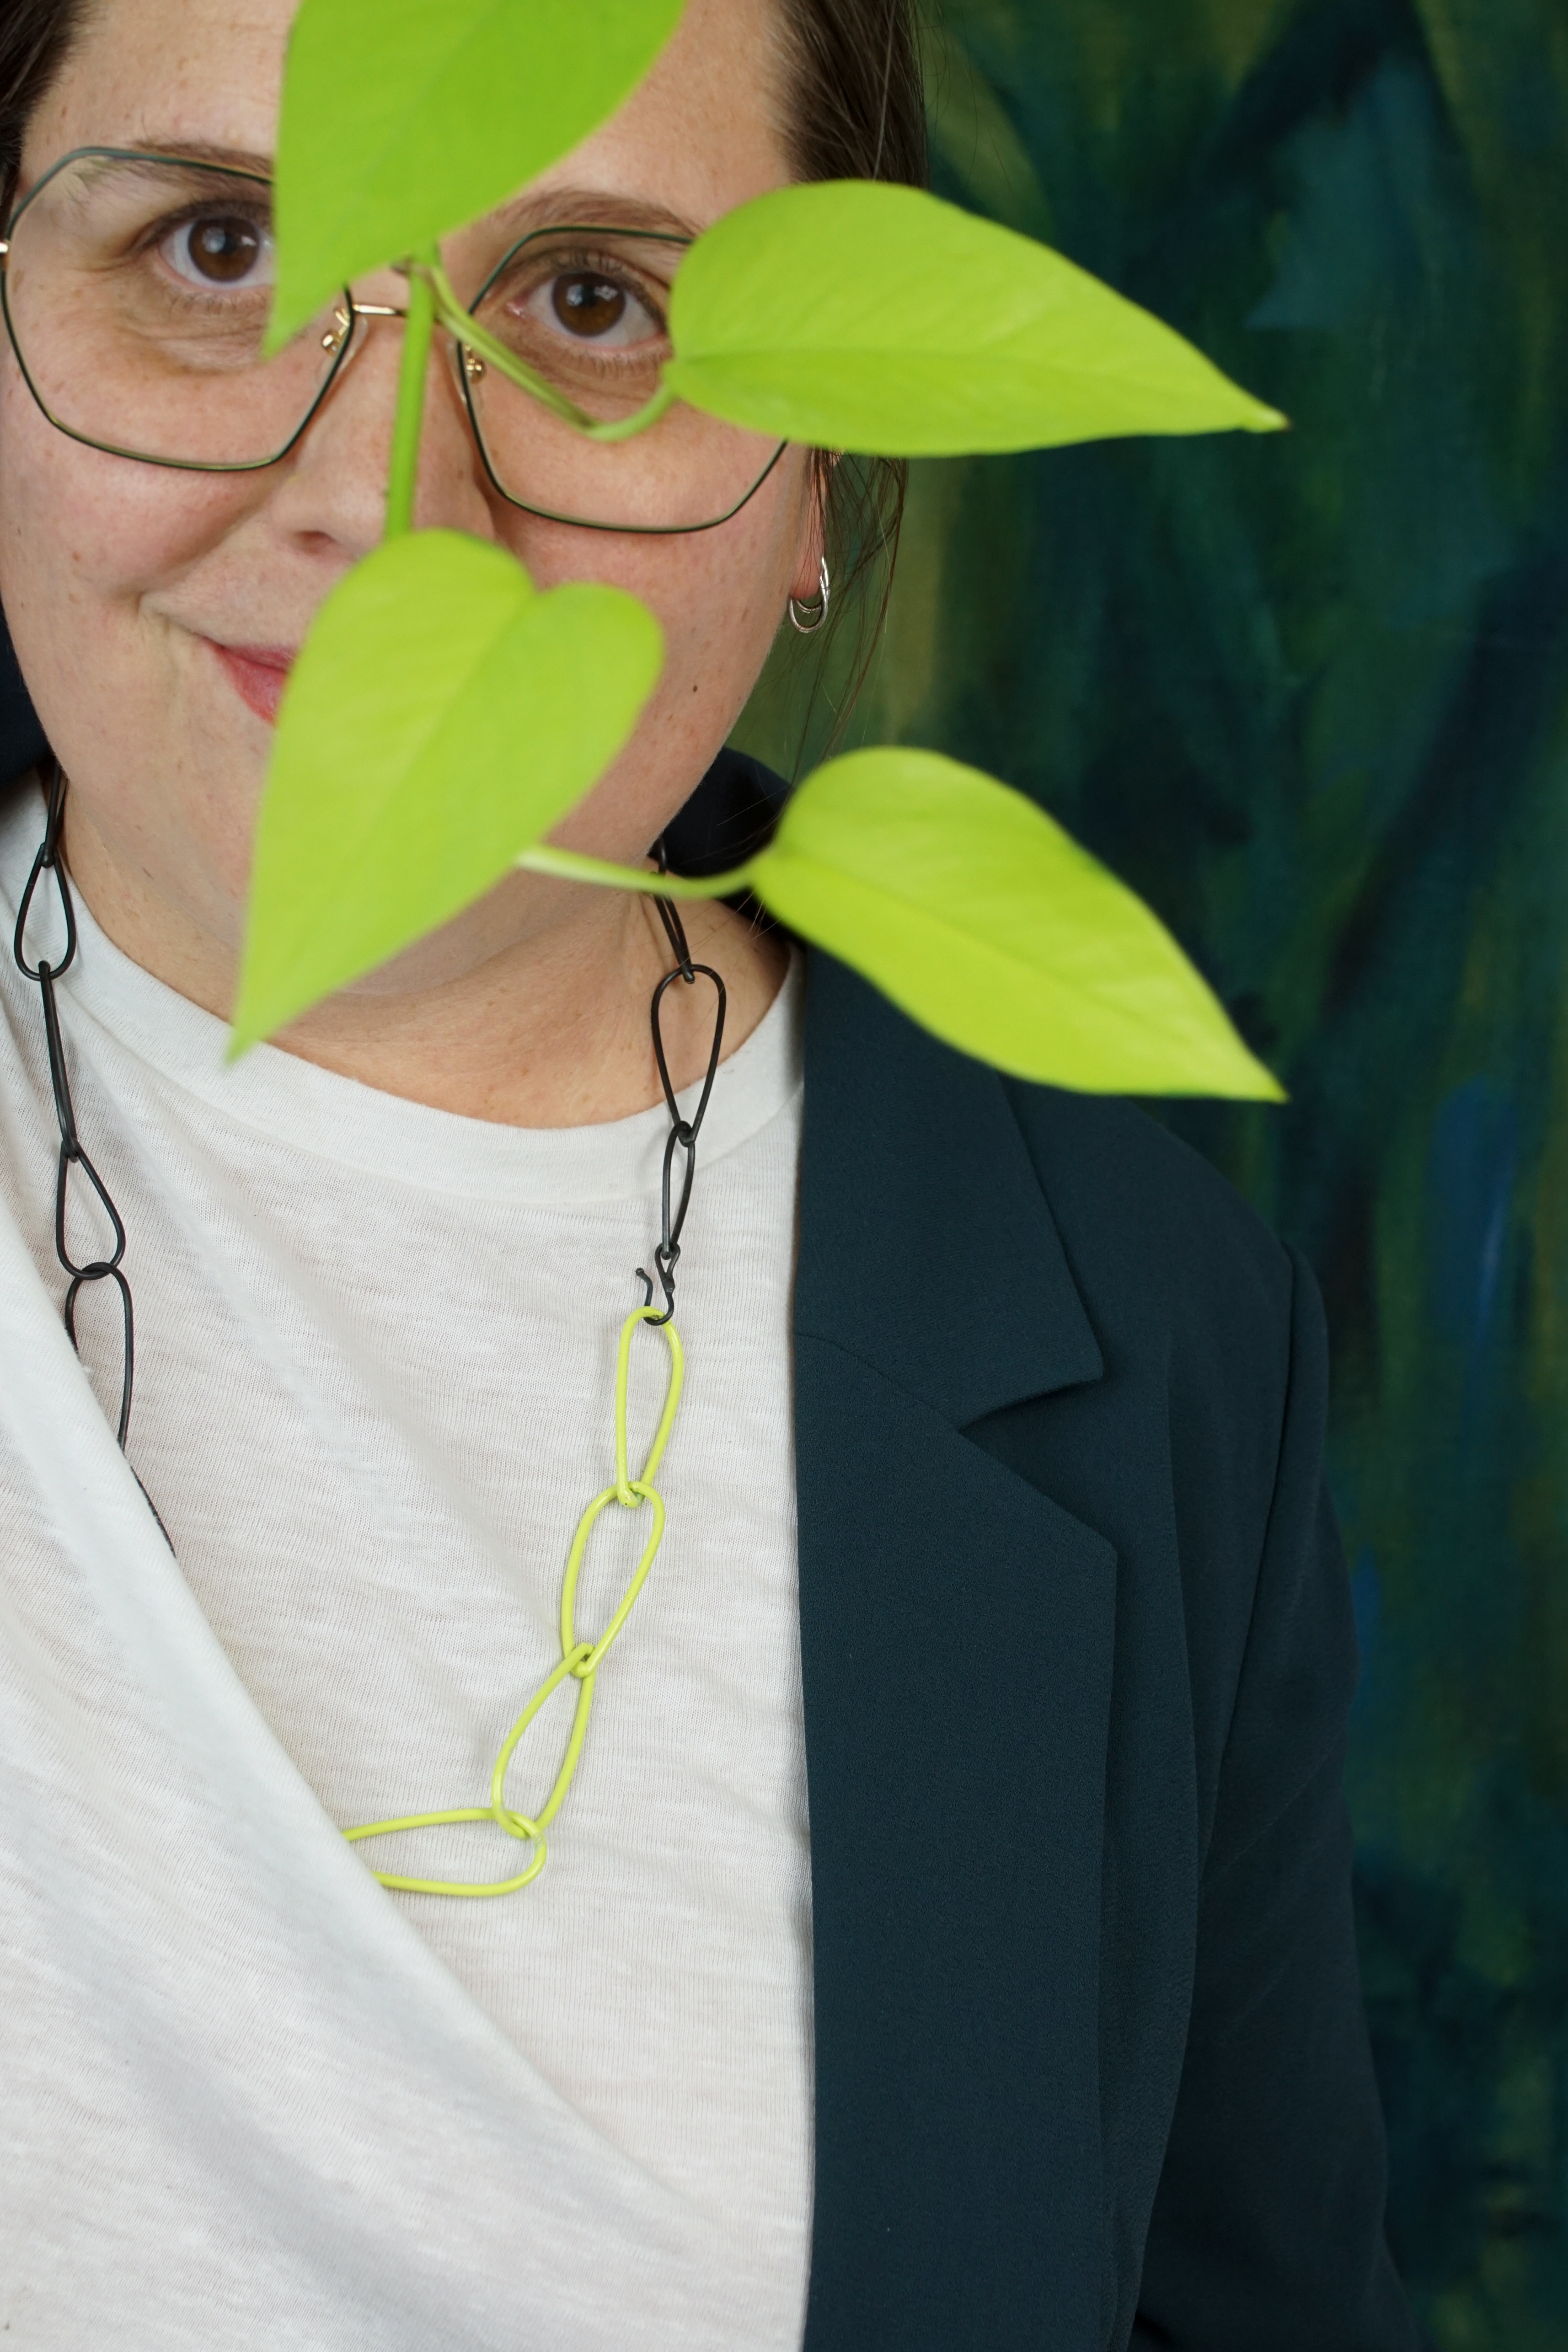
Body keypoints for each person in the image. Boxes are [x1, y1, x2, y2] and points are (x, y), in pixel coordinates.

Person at [0, 0, 1419, 2345]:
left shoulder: (1165, 1339)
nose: (383, 509)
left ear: (824, 494)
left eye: (593, 308)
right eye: (221, 241)